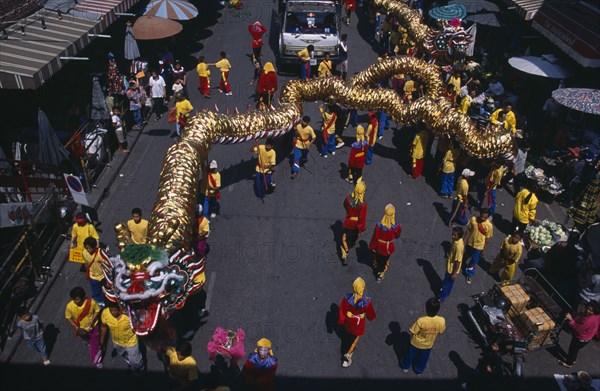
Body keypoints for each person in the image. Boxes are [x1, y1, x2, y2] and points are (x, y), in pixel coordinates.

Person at [337, 277, 376, 367]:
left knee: (348, 335)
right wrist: (367, 316)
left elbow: (342, 310)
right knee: (354, 340)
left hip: (349, 321)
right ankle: (347, 357)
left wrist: (342, 319)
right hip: (358, 324)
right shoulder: (366, 302)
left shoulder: (347, 298)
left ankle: (346, 350)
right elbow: (371, 314)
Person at [401, 298, 445, 374]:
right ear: (438, 309)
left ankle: (405, 366)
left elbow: (413, 332)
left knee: (410, 355)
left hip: (415, 343)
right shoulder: (441, 320)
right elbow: (441, 331)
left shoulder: (421, 320)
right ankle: (418, 370)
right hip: (428, 345)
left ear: (426, 309)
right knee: (423, 359)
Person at [65, 287, 103, 368]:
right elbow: (68, 317)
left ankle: (97, 360)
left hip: (93, 326)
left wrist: (92, 320)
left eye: (77, 299)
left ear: (83, 297)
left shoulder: (91, 302)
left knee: (95, 344)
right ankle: (89, 343)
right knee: (89, 341)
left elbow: (97, 310)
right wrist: (76, 327)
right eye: (74, 299)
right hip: (81, 328)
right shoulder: (69, 306)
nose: (75, 301)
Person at [100, 303, 144, 372]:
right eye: (111, 310)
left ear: (120, 308)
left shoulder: (129, 315)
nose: (112, 313)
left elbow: (140, 324)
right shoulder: (105, 313)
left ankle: (140, 371)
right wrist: (102, 341)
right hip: (117, 342)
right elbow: (103, 326)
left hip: (131, 341)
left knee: (136, 362)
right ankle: (130, 362)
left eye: (115, 310)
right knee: (124, 354)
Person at [558, 301, 600, 368]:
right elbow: (584, 315)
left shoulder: (588, 321)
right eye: (587, 308)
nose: (588, 311)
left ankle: (569, 363)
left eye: (590, 311)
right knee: (575, 350)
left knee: (572, 350)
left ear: (594, 312)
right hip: (588, 337)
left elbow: (577, 329)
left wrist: (570, 319)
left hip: (581, 338)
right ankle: (573, 359)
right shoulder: (597, 316)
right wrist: (580, 314)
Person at [369, 204, 402, 282]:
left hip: (379, 246)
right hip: (388, 247)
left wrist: (372, 247)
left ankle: (378, 267)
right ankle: (381, 275)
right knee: (385, 260)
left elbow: (375, 237)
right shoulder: (396, 227)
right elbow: (397, 236)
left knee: (378, 258)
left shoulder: (379, 226)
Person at [340, 181, 368, 264]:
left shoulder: (348, 199)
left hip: (348, 222)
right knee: (353, 238)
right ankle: (347, 248)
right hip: (355, 225)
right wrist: (361, 228)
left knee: (344, 237)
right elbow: (362, 218)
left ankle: (345, 252)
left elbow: (344, 205)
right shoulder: (363, 205)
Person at [464, 208, 494, 284]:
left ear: (488, 217)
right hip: (470, 242)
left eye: (485, 217)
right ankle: (461, 263)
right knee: (466, 254)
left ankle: (469, 274)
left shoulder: (489, 226)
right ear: (480, 214)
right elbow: (468, 230)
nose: (482, 218)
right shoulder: (473, 219)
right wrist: (463, 241)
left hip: (479, 246)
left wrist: (484, 249)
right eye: (482, 216)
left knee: (474, 261)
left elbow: (487, 238)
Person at [438, 227, 464, 301]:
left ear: (459, 236)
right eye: (452, 234)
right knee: (449, 282)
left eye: (454, 235)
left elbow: (457, 262)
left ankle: (441, 297)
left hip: (452, 269)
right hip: (451, 265)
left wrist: (454, 273)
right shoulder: (457, 240)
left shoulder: (458, 247)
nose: (452, 236)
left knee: (446, 283)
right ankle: (447, 292)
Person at [82, 237, 108, 308]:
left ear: (94, 247)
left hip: (103, 276)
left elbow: (107, 264)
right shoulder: (84, 253)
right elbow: (86, 264)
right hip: (93, 277)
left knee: (106, 291)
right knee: (96, 293)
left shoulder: (100, 253)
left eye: (89, 248)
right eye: (87, 248)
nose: (88, 250)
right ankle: (99, 306)